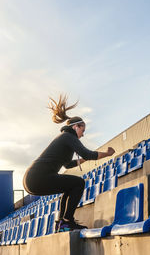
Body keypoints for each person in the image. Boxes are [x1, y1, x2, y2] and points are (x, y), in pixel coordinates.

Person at [23, 94, 115, 231]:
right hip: (37, 177)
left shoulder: (64, 138)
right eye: (82, 130)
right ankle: (67, 221)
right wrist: (107, 154)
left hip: (32, 179)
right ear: (75, 127)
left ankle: (62, 222)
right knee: (79, 183)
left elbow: (67, 164)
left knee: (70, 186)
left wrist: (83, 159)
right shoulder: (68, 136)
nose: (83, 134)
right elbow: (88, 153)